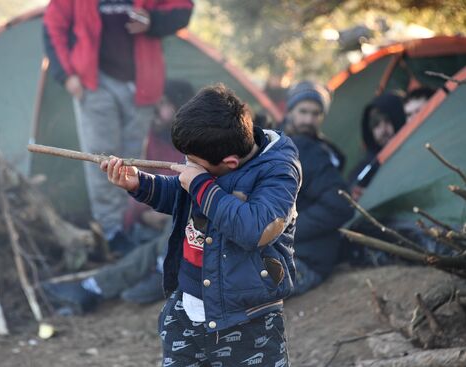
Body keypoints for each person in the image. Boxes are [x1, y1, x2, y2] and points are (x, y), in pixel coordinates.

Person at [101, 85, 301, 366]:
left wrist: (200, 184)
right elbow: (184, 197)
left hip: (247, 320)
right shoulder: (209, 165)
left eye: (194, 164)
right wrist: (141, 184)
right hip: (187, 310)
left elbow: (255, 229)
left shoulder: (278, 170)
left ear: (230, 163)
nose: (187, 167)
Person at [43, 0, 193, 251]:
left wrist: (153, 22)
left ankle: (131, 223)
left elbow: (182, 9)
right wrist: (66, 76)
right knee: (102, 159)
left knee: (133, 159)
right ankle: (112, 231)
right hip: (95, 83)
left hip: (142, 82)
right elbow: (52, 26)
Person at [42, 79, 195, 312]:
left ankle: (99, 286)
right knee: (155, 245)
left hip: (191, 228)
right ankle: (93, 287)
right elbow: (143, 194)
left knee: (177, 221)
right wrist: (146, 213)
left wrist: (169, 210)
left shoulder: (196, 148)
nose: (155, 110)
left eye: (163, 103)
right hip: (156, 228)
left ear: (180, 107)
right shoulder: (153, 142)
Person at [283, 81, 354, 295]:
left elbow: (340, 204)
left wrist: (285, 232)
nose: (308, 120)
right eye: (303, 111)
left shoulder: (311, 150)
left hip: (304, 259)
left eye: (316, 113)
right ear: (290, 111)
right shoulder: (277, 144)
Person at [348, 93, 406, 200]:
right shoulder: (371, 163)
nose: (383, 131)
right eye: (376, 125)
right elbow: (354, 185)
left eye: (388, 121)